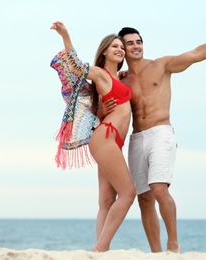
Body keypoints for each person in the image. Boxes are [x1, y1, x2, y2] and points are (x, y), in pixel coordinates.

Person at [100, 18, 206, 253]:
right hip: (136, 138)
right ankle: (157, 253)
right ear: (122, 48)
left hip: (161, 133)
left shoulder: (161, 65)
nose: (136, 46)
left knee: (159, 188)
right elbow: (101, 103)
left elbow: (196, 54)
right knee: (144, 199)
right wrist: (100, 110)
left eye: (139, 41)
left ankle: (173, 245)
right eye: (129, 43)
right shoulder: (123, 80)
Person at [50, 21, 136, 252]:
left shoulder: (120, 76)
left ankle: (101, 253)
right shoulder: (100, 73)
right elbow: (77, 66)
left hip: (113, 141)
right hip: (106, 137)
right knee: (128, 193)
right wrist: (66, 35)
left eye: (122, 47)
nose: (120, 49)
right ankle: (101, 247)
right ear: (105, 51)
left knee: (107, 200)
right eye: (115, 46)